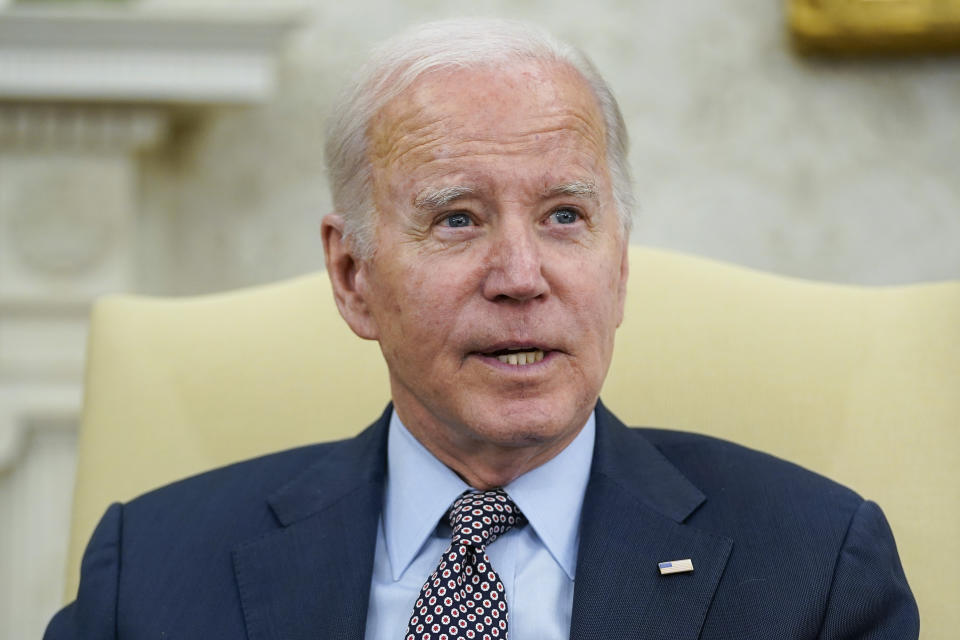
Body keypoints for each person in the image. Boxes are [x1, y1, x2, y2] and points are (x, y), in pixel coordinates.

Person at [46, 18, 918, 640]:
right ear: (353, 276)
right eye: (457, 219)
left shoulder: (815, 571)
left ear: (619, 266)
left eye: (566, 216)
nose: (521, 276)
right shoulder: (153, 572)